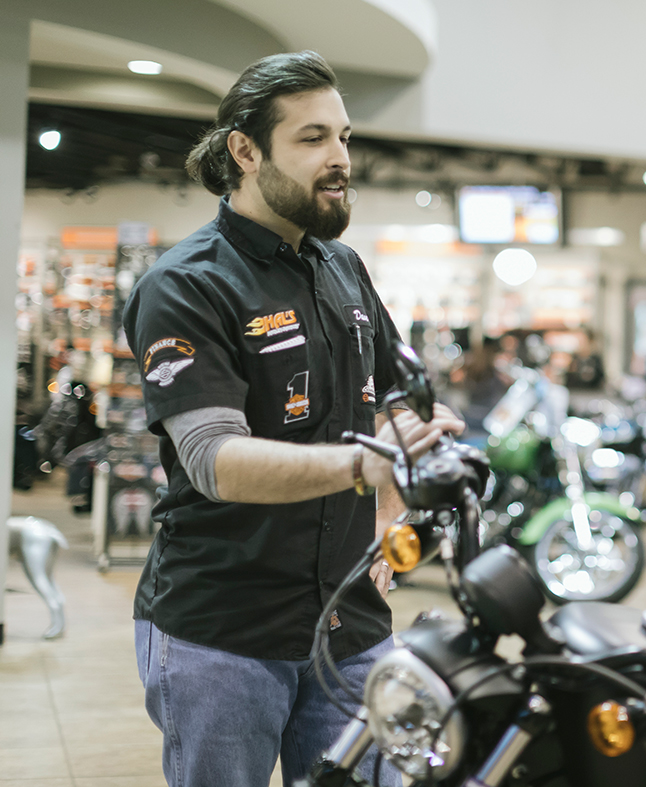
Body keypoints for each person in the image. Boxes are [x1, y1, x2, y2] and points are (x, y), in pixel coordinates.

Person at [123, 51, 463, 787]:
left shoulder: (343, 268)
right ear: (245, 151)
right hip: (223, 634)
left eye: (344, 137)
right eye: (313, 139)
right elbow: (214, 458)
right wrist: (364, 465)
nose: (340, 159)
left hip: (352, 627)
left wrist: (389, 510)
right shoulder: (185, 285)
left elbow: (403, 397)